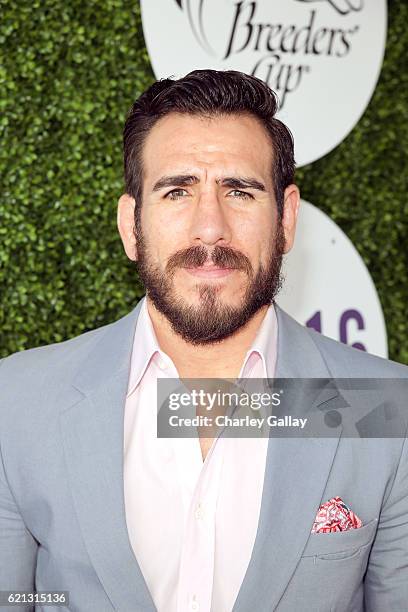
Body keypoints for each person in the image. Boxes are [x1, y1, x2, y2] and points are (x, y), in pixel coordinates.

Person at [0, 69, 407, 612]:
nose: (209, 228)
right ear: (131, 224)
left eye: (239, 191)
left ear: (285, 219)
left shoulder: (385, 409)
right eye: (177, 191)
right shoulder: (19, 402)